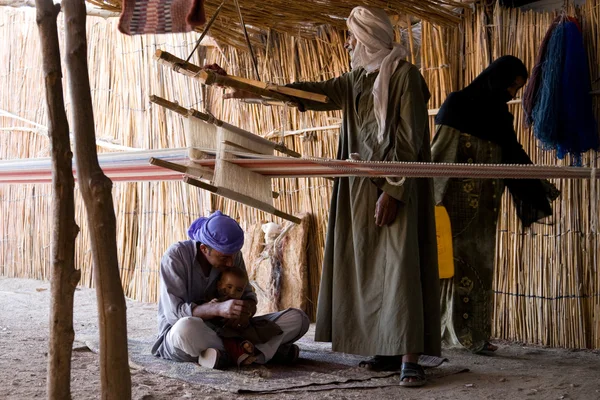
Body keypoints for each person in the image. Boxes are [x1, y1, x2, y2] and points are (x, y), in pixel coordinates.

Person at [210, 6, 441, 387]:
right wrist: (241, 85)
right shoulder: (354, 81)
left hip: (395, 189)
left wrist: (394, 190)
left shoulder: (405, 78)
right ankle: (385, 349)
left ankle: (409, 358)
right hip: (356, 192)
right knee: (367, 269)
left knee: (399, 270)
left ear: (367, 38)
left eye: (352, 37)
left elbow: (411, 140)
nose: (348, 44)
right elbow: (306, 94)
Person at [431, 56, 560, 354]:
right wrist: (430, 198)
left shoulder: (500, 115)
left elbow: (513, 155)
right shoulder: (458, 104)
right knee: (452, 267)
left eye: (517, 88)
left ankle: (476, 335)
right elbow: (439, 155)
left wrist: (538, 186)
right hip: (455, 208)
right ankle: (448, 332)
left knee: (481, 269)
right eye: (511, 86)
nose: (512, 94)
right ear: (496, 78)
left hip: (487, 208)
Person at [151, 211, 309, 369]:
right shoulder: (176, 257)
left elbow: (248, 297)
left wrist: (244, 312)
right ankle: (261, 353)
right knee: (185, 329)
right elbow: (174, 315)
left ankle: (226, 355)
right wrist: (217, 309)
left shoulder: (231, 255)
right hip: (194, 334)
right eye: (224, 258)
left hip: (232, 331)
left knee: (298, 319)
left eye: (234, 256)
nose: (230, 263)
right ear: (204, 249)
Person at [204, 268, 285, 366]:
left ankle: (277, 350)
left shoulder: (242, 302)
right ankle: (242, 356)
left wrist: (246, 314)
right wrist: (213, 306)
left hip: (243, 330)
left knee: (269, 329)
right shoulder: (216, 299)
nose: (233, 292)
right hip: (224, 332)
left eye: (238, 290)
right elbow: (207, 310)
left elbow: (249, 313)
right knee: (228, 338)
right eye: (229, 287)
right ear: (219, 285)